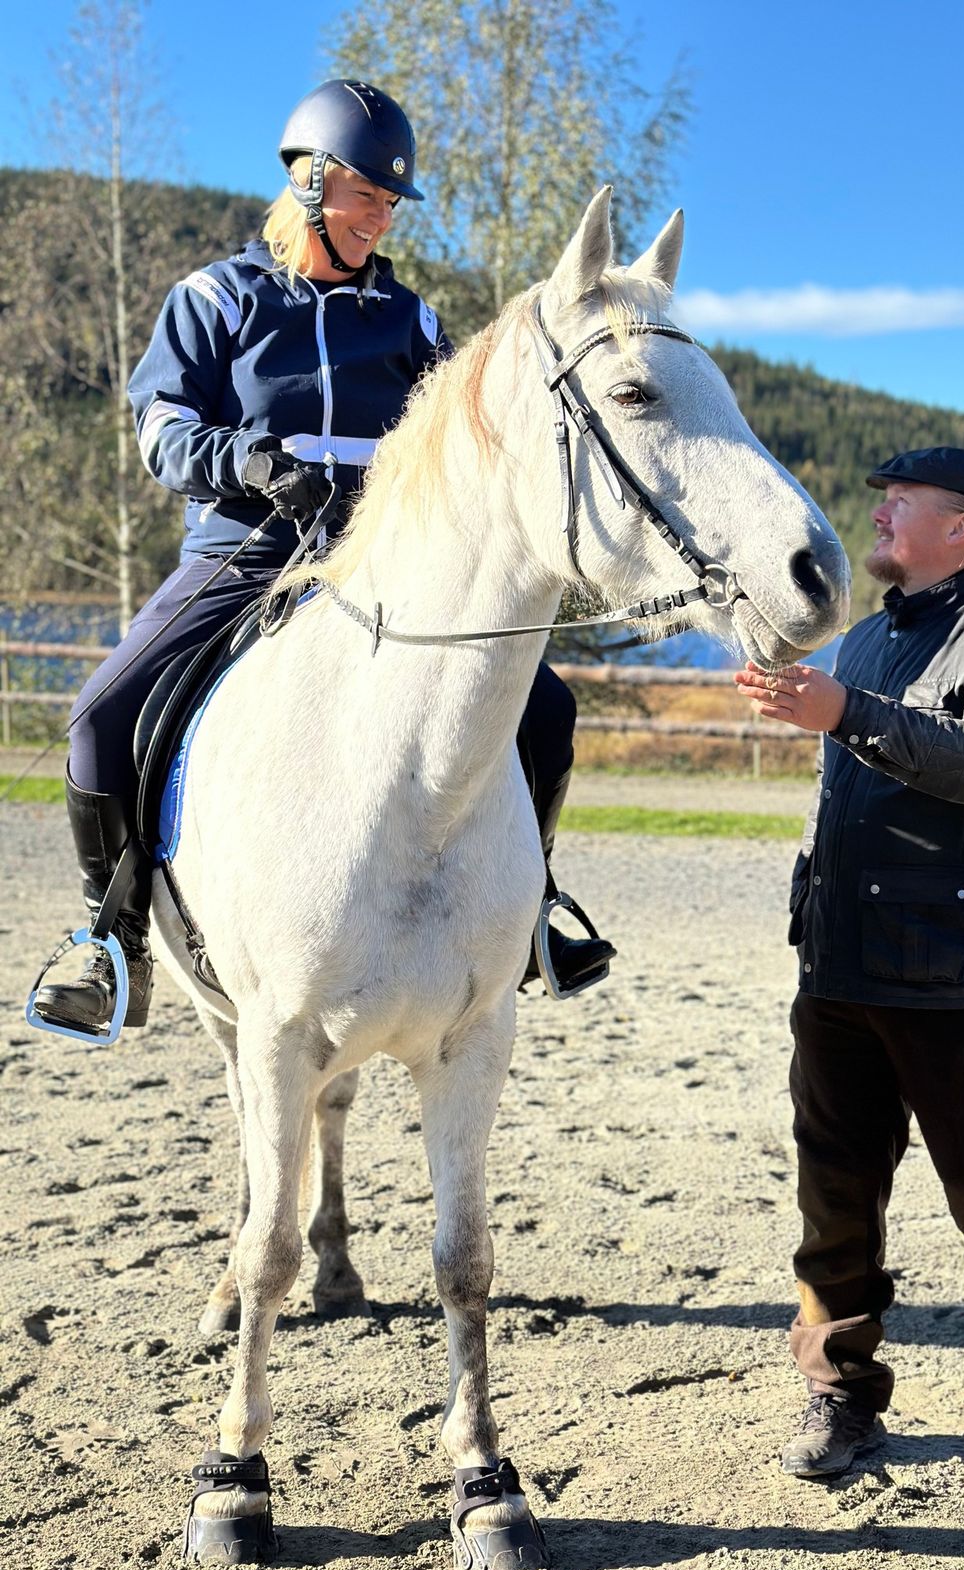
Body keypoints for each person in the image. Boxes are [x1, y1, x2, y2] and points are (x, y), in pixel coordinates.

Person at [33, 78, 614, 1037]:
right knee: (102, 715)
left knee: (546, 705)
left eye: (391, 203)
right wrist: (251, 461)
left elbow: (463, 443)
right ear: (310, 183)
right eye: (367, 196)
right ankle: (110, 936)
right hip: (247, 552)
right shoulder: (215, 298)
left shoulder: (413, 322)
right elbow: (162, 431)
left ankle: (538, 909)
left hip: (385, 564)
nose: (382, 217)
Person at [735, 446, 964, 1476]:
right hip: (839, 970)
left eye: (900, 504)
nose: (877, 515)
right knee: (832, 1200)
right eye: (879, 499)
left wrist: (847, 715)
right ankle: (841, 1395)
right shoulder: (869, 641)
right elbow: (848, 787)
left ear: (961, 528)